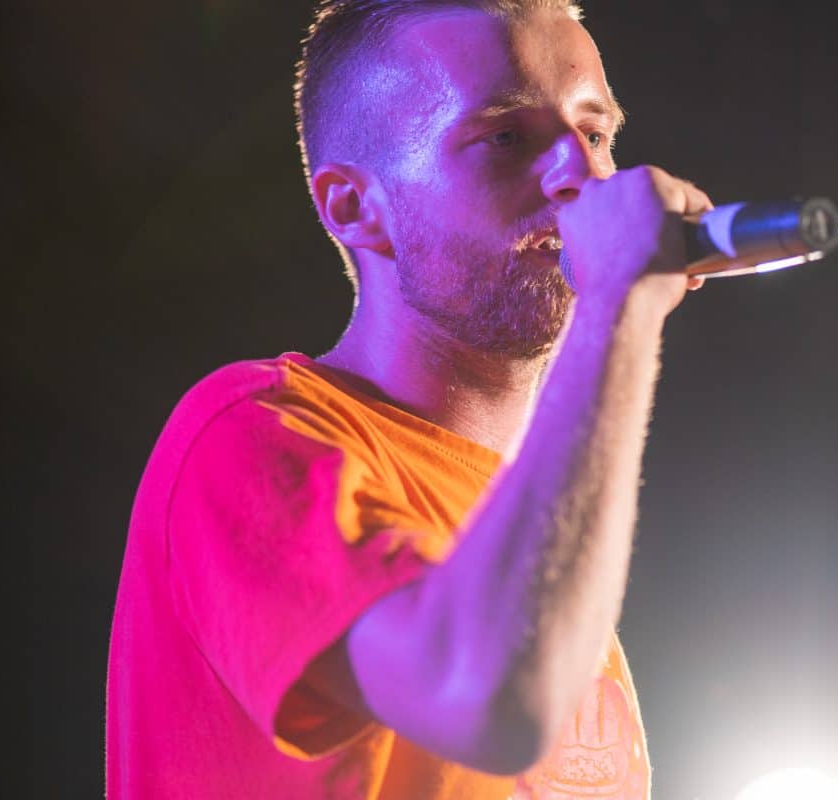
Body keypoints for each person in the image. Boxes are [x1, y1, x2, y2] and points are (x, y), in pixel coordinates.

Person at [106, 1, 714, 797]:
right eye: (506, 137)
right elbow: (493, 699)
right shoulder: (247, 433)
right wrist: (618, 304)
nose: (583, 175)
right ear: (355, 206)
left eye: (595, 134)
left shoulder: (537, 521)